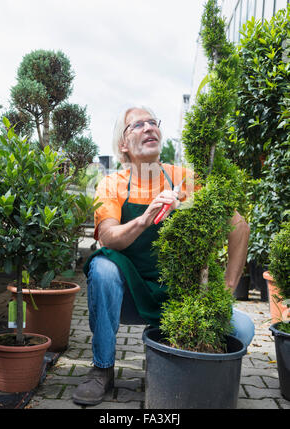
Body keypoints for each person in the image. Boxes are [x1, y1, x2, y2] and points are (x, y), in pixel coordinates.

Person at [72, 106, 254, 406]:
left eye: (152, 123)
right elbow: (108, 237)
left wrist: (225, 289)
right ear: (122, 145)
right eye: (137, 125)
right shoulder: (112, 184)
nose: (148, 128)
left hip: (180, 296)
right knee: (102, 267)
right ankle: (101, 369)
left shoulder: (184, 180)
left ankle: (173, 359)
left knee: (243, 330)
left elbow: (239, 226)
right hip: (127, 296)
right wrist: (145, 218)